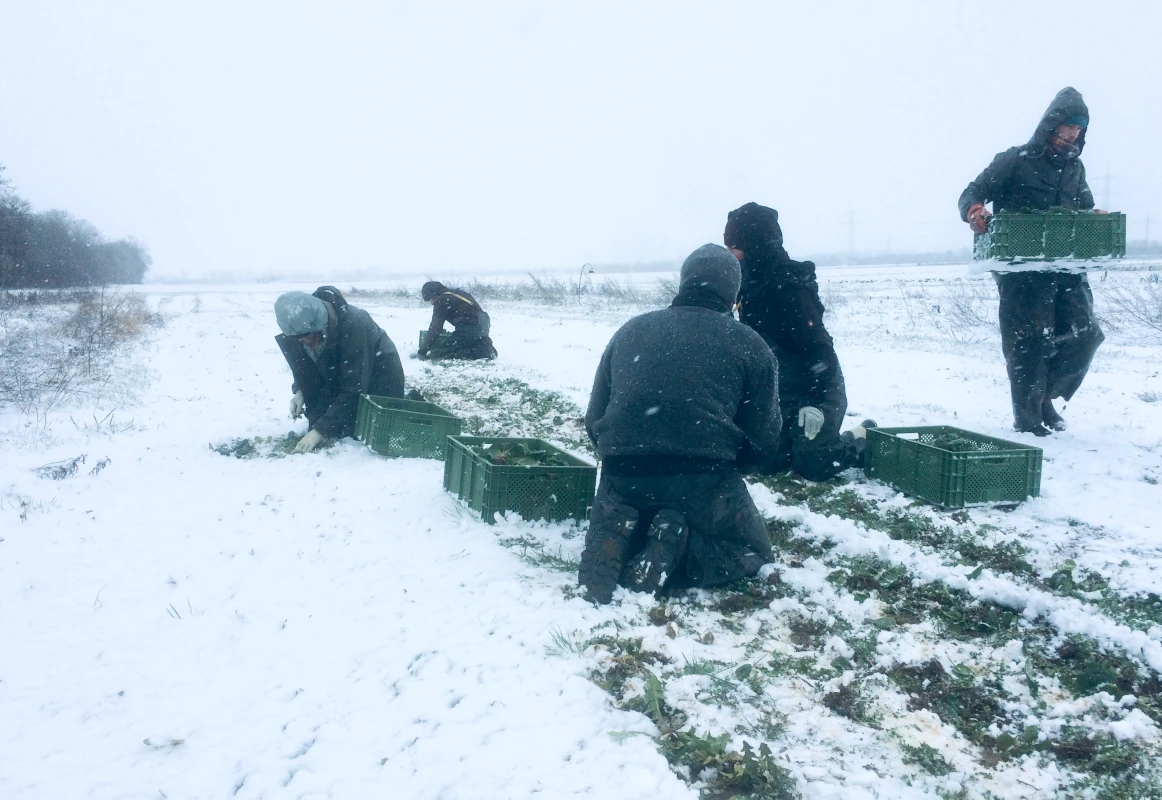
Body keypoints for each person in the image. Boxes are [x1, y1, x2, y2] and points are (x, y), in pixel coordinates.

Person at [578, 244, 781, 605]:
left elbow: (595, 419)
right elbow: (765, 440)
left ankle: (623, 532)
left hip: (622, 473)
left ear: (685, 280)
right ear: (732, 293)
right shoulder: (751, 344)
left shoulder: (630, 330)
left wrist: (625, 458)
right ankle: (680, 546)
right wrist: (731, 468)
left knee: (638, 506)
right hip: (701, 479)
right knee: (754, 554)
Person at [958, 86, 1105, 436]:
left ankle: (1045, 398)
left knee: (1085, 335)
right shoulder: (1015, 159)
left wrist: (1094, 214)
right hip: (1020, 266)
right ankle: (1028, 419)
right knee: (1029, 342)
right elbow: (972, 193)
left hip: (1065, 265)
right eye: (1067, 126)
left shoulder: (1075, 168)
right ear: (1050, 125)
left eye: (1078, 129)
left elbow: (1083, 206)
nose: (1072, 134)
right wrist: (974, 211)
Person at [724, 202, 873, 481]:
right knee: (767, 462)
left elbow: (819, 349)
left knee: (815, 464)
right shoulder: (745, 284)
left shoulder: (789, 285)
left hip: (818, 378)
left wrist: (814, 401)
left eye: (735, 246)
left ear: (754, 243)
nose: (731, 254)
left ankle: (862, 437)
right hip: (781, 385)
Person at [274, 286, 405, 453]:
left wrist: (321, 431)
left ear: (319, 325)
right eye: (297, 338)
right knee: (326, 421)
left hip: (378, 375)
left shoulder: (354, 325)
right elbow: (307, 367)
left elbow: (354, 386)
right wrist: (300, 392)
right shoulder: (305, 328)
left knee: (361, 430)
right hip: (346, 371)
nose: (302, 341)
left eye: (305, 336)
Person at [418, 281, 497, 360]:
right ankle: (485, 347)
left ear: (434, 294)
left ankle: (481, 353)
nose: (431, 303)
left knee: (442, 352)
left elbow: (435, 328)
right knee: (469, 341)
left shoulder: (442, 300)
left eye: (431, 299)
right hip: (482, 325)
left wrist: (422, 351)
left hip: (470, 328)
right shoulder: (456, 293)